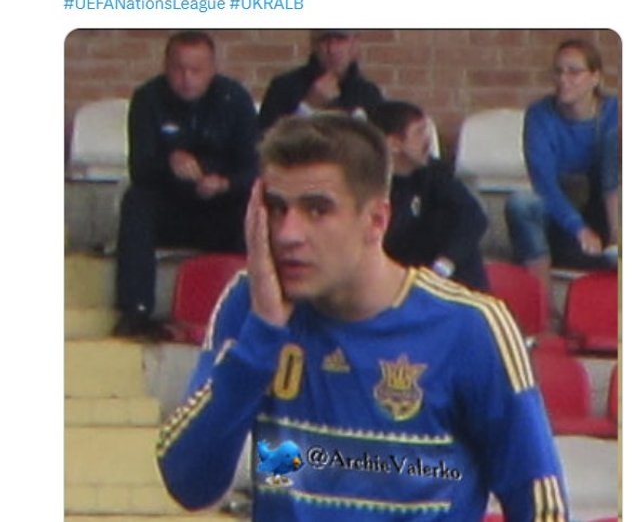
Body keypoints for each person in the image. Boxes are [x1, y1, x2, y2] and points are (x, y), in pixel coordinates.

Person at [156, 114, 568, 521]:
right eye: (277, 209)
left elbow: (541, 505)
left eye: (317, 210)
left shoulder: (470, 326)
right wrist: (261, 336)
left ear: (376, 220)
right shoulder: (252, 306)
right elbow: (189, 483)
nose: (287, 234)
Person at [113, 31, 258, 337]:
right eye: (179, 70)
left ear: (212, 69)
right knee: (136, 201)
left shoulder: (235, 99)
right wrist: (169, 163)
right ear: (166, 67)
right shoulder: (148, 99)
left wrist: (224, 184)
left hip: (221, 211)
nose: (187, 79)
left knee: (254, 206)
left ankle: (248, 310)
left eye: (196, 70)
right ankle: (135, 310)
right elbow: (140, 168)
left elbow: (254, 168)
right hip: (171, 209)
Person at [505, 39, 619, 306]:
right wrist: (578, 228)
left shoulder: (616, 112)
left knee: (615, 143)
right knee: (520, 204)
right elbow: (543, 184)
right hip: (561, 218)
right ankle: (543, 309)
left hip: (606, 214)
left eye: (574, 72)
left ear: (595, 77)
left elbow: (616, 176)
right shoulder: (539, 115)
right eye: (558, 71)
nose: (563, 80)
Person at [368, 100, 489, 290]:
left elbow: (474, 216)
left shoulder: (435, 173)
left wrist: (444, 264)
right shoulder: (371, 185)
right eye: (419, 133)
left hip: (447, 281)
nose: (428, 141)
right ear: (394, 144)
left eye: (426, 131)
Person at [258, 29, 383, 131]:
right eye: (324, 40)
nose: (332, 50)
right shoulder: (284, 88)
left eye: (340, 40)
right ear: (313, 44)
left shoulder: (368, 94)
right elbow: (266, 143)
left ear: (355, 43)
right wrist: (309, 107)